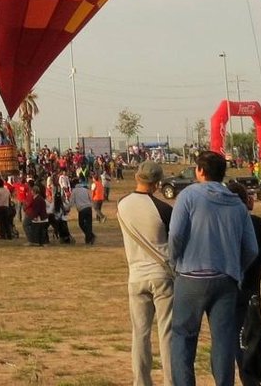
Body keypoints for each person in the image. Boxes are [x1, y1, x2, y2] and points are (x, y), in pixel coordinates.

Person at [168, 151, 259, 386]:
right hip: (226, 278)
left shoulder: (188, 196)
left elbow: (176, 234)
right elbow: (252, 248)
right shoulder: (237, 204)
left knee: (183, 338)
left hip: (190, 275)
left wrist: (174, 260)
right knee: (223, 340)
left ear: (199, 170)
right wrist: (237, 269)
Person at [118, 160, 174, 386]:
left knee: (140, 334)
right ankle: (171, 381)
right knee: (167, 333)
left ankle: (141, 381)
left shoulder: (123, 205)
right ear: (158, 183)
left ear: (136, 177)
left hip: (136, 275)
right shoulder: (164, 210)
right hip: (162, 275)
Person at [227, 181, 261, 386]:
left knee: (240, 340)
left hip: (236, 291)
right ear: (246, 201)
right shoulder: (260, 225)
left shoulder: (224, 229)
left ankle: (249, 378)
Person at [72, 176, 95, 245]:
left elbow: (71, 202)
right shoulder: (85, 189)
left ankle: (90, 236)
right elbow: (90, 198)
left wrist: (66, 208)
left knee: (81, 224)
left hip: (82, 209)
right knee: (89, 224)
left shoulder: (74, 191)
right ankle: (89, 238)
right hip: (88, 208)